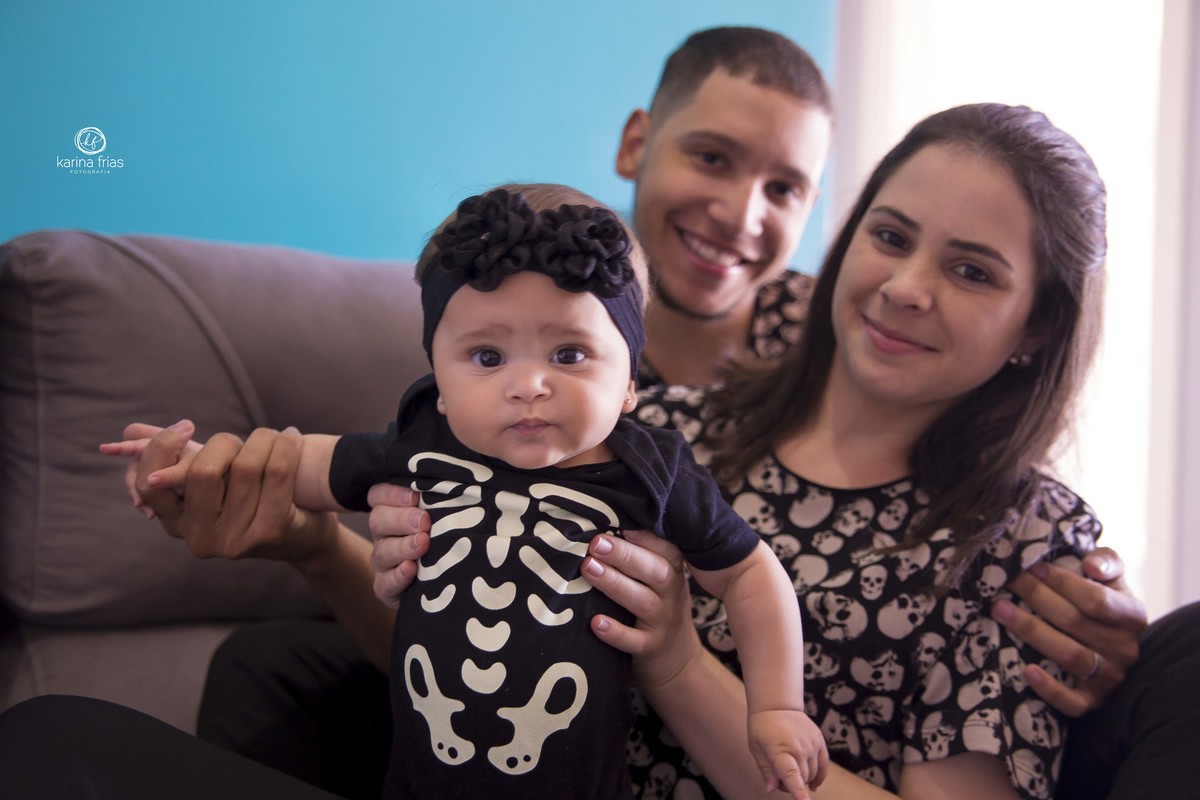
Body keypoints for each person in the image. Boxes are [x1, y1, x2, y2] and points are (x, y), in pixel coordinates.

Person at [10, 25, 1152, 800]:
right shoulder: (681, 422)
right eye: (893, 236)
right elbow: (439, 612)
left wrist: (684, 666)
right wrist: (339, 540)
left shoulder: (1026, 546)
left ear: (1040, 325)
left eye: (974, 270)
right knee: (127, 716)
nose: (905, 286)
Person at [103, 185, 828, 799]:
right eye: (487, 356)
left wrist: (774, 707)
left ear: (631, 381)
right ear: (440, 384)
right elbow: (299, 462)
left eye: (570, 354)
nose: (529, 384)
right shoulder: (420, 442)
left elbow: (748, 573)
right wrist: (197, 463)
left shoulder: (652, 470)